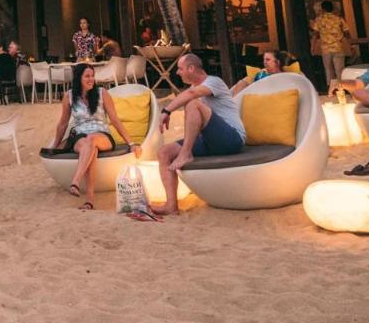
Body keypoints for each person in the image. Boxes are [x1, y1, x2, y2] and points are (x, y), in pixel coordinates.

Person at [152, 54, 245, 216]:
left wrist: (166, 111)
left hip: (232, 139)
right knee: (164, 152)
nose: (177, 73)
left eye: (180, 69)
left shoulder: (213, 82)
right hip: (210, 141)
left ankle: (186, 153)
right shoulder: (191, 90)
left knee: (193, 103)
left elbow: (191, 96)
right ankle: (171, 206)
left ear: (191, 68)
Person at [49, 63, 142, 211]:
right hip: (80, 136)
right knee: (89, 145)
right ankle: (90, 200)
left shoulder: (102, 93)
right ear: (78, 78)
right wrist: (54, 145)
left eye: (92, 76)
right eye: (87, 76)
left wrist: (131, 143)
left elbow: (115, 120)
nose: (91, 79)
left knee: (91, 140)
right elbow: (62, 124)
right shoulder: (69, 96)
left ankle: (76, 181)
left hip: (102, 134)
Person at [310, 0, 349, 90]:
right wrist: (350, 44)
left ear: (323, 9)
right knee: (339, 69)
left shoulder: (319, 20)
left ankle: (331, 88)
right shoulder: (338, 18)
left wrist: (312, 46)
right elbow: (347, 32)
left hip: (325, 49)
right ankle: (342, 88)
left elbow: (315, 35)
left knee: (328, 69)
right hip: (338, 47)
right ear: (332, 8)